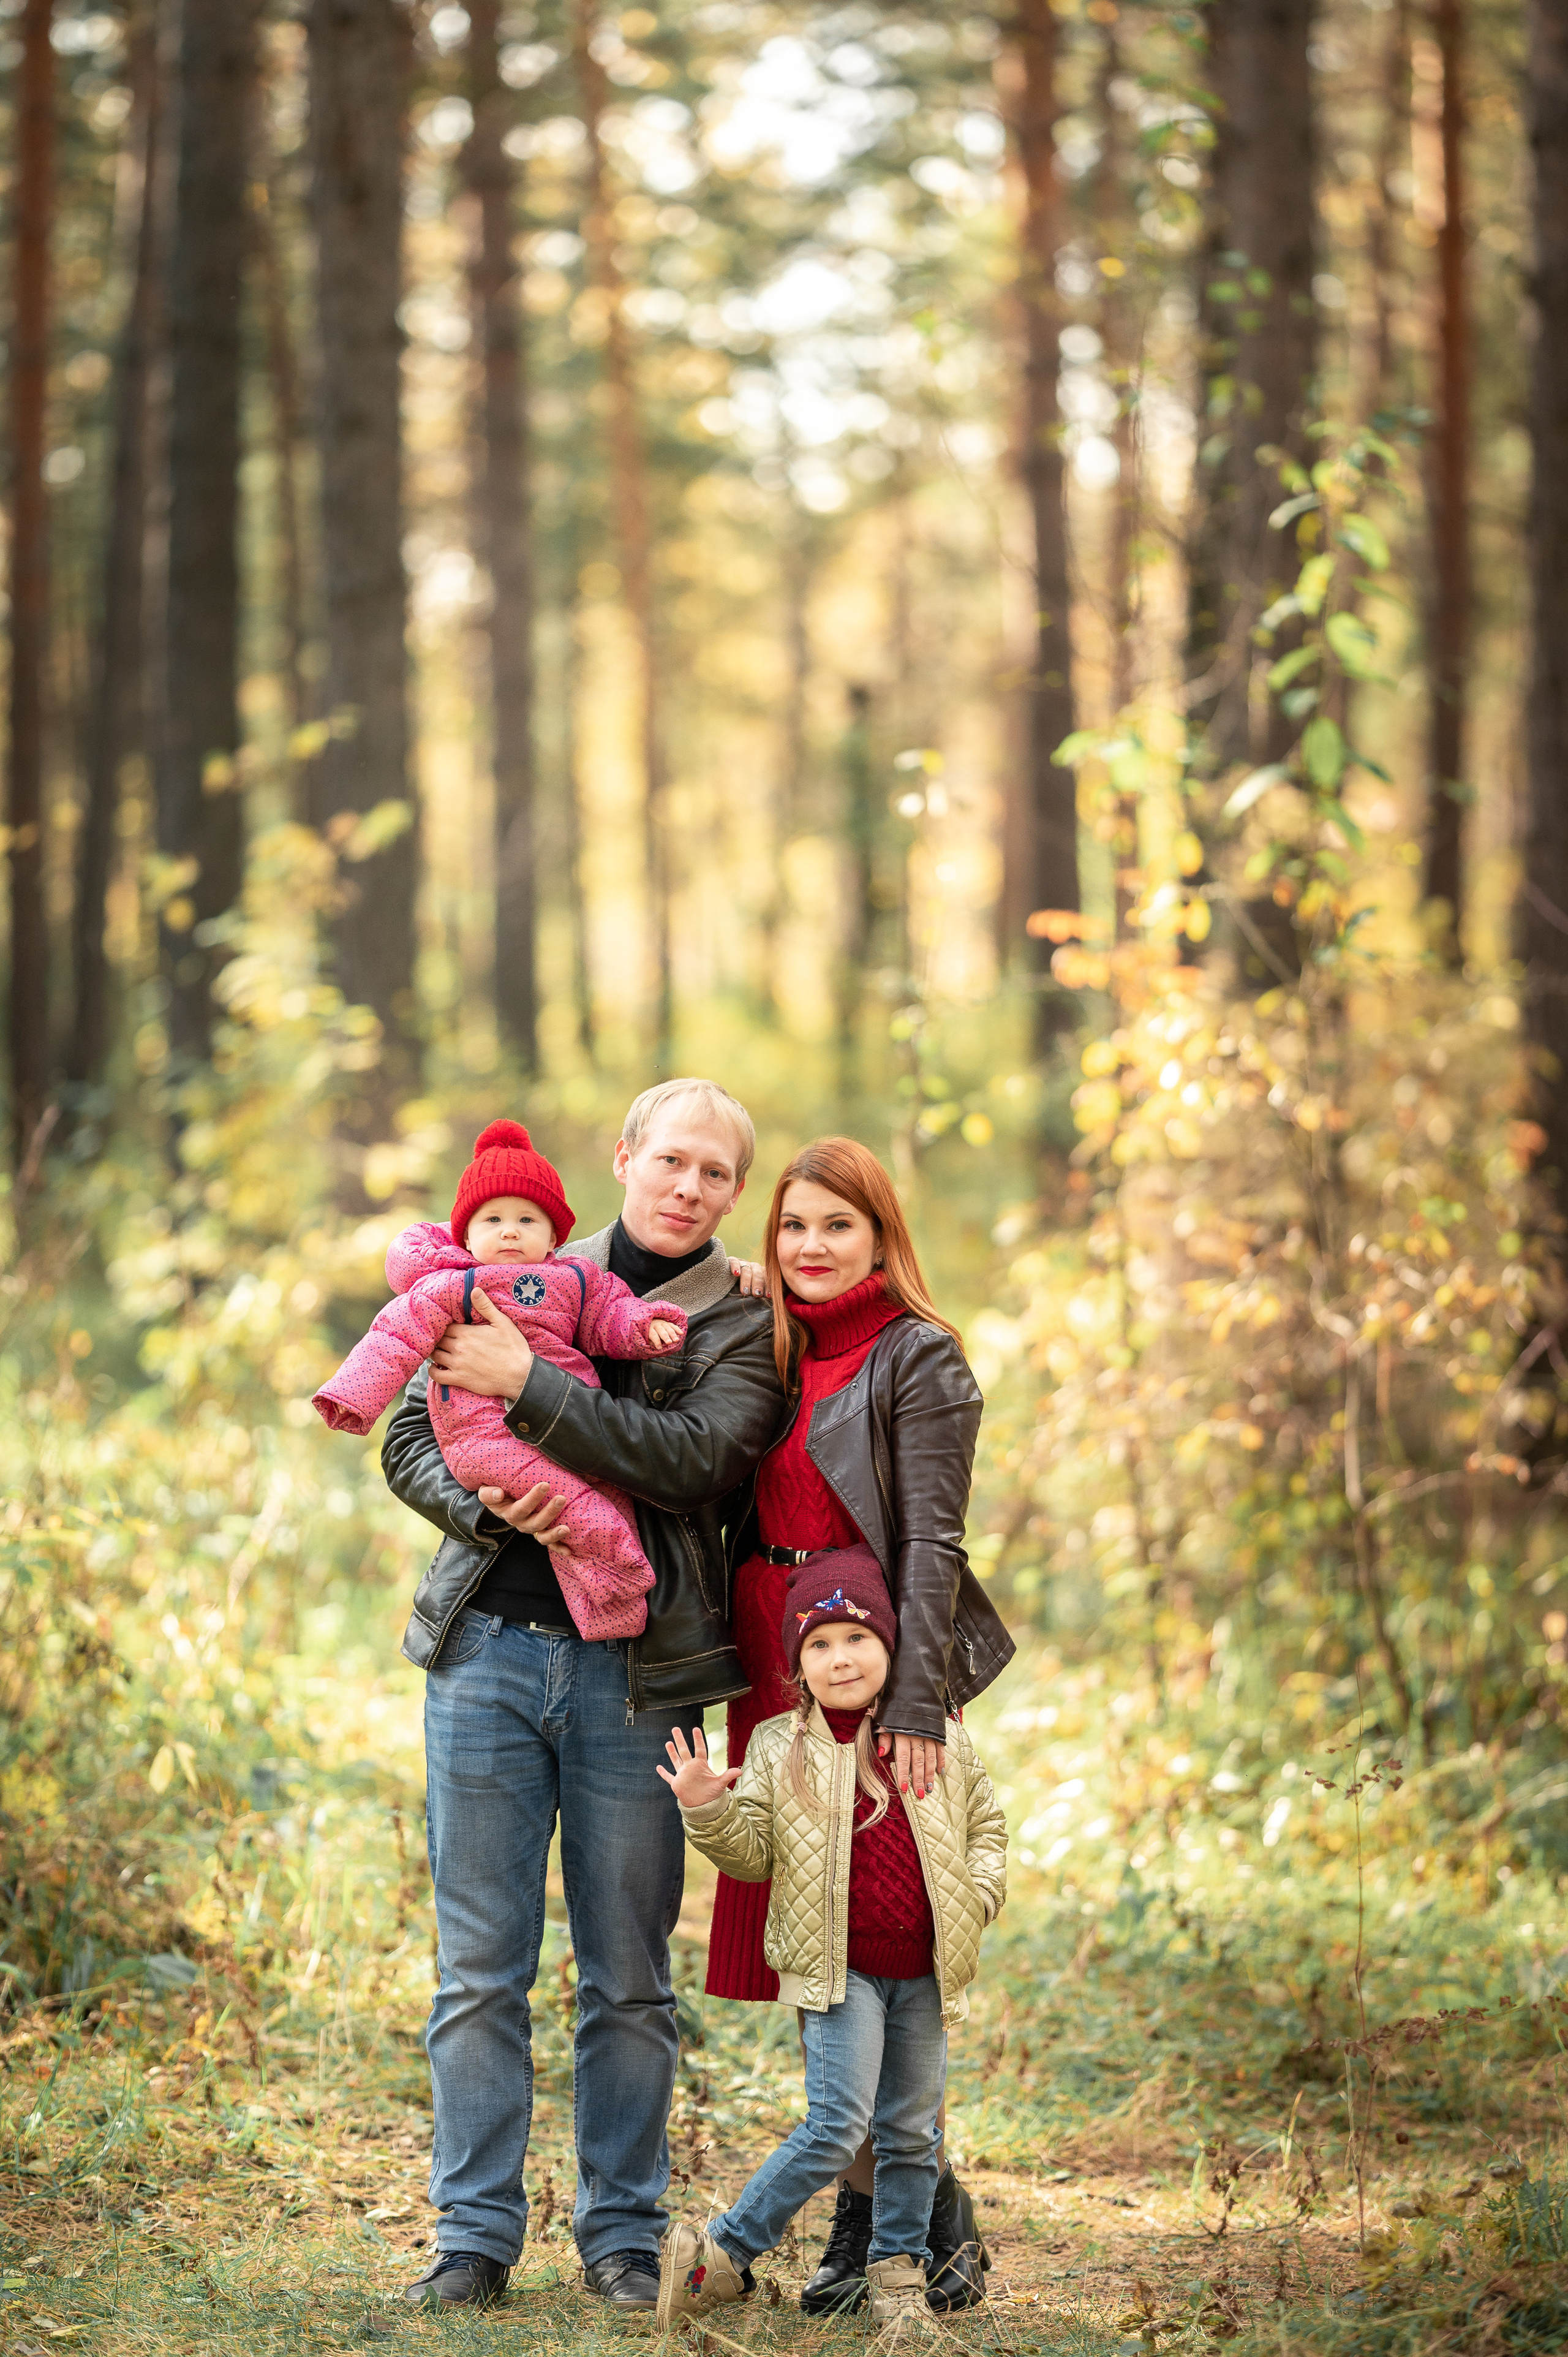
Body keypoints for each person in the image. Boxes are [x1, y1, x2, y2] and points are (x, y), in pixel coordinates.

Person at [381, 1080, 783, 2313]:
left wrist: (531, 1385)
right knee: (478, 1969)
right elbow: (408, 1434)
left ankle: (618, 2234)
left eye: (717, 1173)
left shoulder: (738, 1325)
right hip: (485, 1654)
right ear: (622, 1156)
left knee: (626, 1977)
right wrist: (478, 1499)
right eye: (670, 1159)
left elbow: (695, 1464)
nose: (689, 1186)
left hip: (638, 1679)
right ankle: (473, 2237)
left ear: (732, 1191)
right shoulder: (514, 1257)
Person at [706, 1135, 1014, 2313]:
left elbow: (931, 1544)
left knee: (883, 1934)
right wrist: (740, 1279)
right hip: (770, 1664)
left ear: (884, 1236)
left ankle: (887, 2222)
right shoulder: (776, 1344)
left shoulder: (919, 1357)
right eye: (793, 1226)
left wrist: (917, 1703)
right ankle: (900, 2215)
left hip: (870, 1678)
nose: (813, 1247)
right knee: (820, 1935)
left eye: (839, 1224)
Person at [655, 1550, 1007, 2331]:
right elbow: (753, 1854)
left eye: (857, 1638)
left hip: (924, 1973)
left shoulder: (934, 1734)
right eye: (819, 1643)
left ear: (890, 1646)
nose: (840, 1657)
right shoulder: (782, 1747)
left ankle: (899, 2284)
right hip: (839, 1976)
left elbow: (986, 1825)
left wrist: (975, 1898)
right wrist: (706, 1807)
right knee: (837, 2125)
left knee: (914, 2134)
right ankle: (720, 2254)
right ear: (797, 1663)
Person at [313, 1120, 686, 1640]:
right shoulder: (453, 1286)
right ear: (464, 1234)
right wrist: (354, 1396)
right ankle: (621, 1587)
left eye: (527, 1219)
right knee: (583, 1515)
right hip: (483, 1435)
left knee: (607, 1495)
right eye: (493, 1219)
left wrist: (647, 1327)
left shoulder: (576, 1279)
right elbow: (394, 1337)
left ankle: (609, 1614)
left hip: (567, 1425)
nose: (510, 1230)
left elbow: (610, 1315)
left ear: (554, 1235)